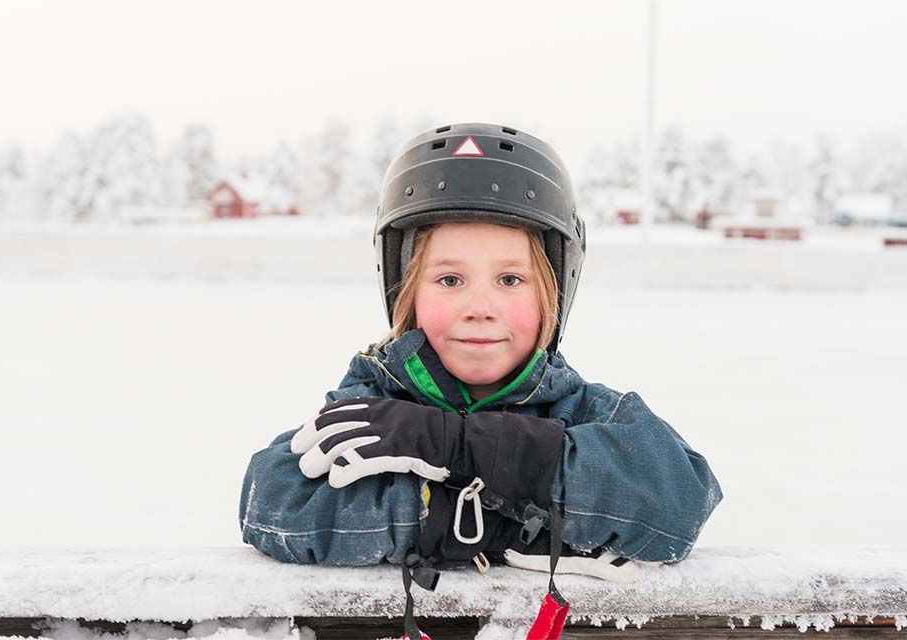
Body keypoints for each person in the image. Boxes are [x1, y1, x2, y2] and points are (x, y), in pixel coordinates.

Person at [239, 123, 722, 635]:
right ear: (405, 291)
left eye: (510, 280)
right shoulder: (372, 399)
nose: (479, 308)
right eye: (450, 280)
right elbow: (275, 503)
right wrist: (511, 520)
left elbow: (678, 499)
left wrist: (459, 448)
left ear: (552, 295)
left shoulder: (588, 413)